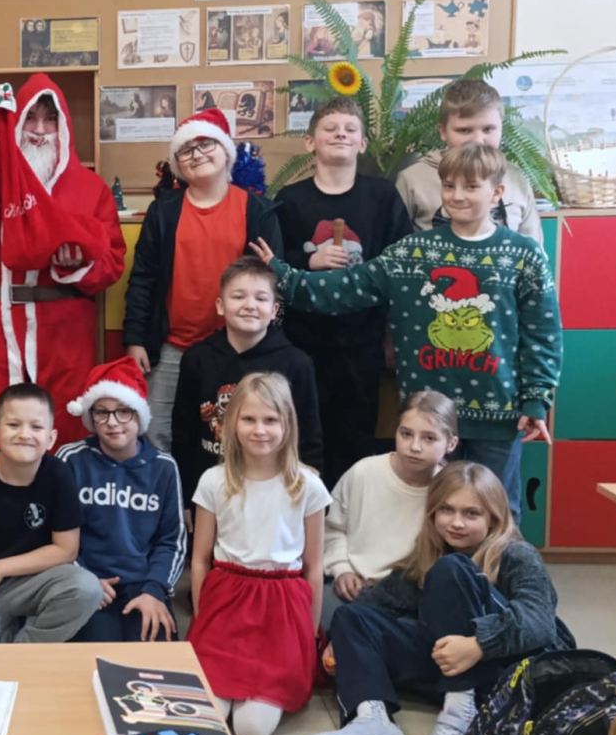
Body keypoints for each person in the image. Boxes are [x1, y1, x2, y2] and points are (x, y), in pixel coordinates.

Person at [252, 143, 561, 512]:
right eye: (449, 186)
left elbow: (543, 333)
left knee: (496, 512)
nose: (457, 196)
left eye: (471, 187)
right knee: (427, 512)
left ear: (497, 192)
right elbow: (345, 288)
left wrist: (537, 399)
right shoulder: (411, 252)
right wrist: (284, 275)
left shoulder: (524, 255)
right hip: (427, 418)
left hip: (498, 416)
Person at [308, 462, 573, 735]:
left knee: (451, 570)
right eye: (447, 510)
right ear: (433, 513)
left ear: (494, 518)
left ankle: (459, 718)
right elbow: (376, 601)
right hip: (449, 664)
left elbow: (539, 622)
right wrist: (340, 642)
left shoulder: (516, 554)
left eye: (471, 514)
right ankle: (373, 721)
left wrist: (478, 644)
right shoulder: (430, 555)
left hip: (508, 671)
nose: (457, 523)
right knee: (350, 615)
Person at [0, 74, 125, 468]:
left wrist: (78, 264)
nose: (38, 130)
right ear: (16, 123)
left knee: (65, 426)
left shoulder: (90, 188)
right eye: (30, 118)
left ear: (62, 126)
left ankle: (63, 506)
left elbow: (112, 261)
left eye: (49, 120)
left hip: (66, 330)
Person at [124, 107, 282, 453]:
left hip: (238, 347)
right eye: (186, 150)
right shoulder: (163, 212)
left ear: (226, 150)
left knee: (232, 437)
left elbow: (273, 283)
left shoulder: (257, 211)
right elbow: (143, 279)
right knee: (157, 433)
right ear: (177, 165)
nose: (196, 155)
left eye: (205, 144)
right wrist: (135, 340)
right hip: (171, 347)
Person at [274, 99, 414, 487]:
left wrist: (391, 336)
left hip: (362, 341)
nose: (341, 134)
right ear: (310, 142)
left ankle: (350, 514)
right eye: (330, 128)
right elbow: (273, 264)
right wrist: (310, 261)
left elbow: (401, 264)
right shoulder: (290, 199)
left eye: (350, 129)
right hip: (304, 341)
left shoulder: (382, 197)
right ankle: (308, 515)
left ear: (362, 143)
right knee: (305, 436)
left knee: (356, 437)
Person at [187, 373, 329, 735]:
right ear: (230, 423)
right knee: (209, 717)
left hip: (281, 609)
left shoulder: (308, 485)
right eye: (248, 419)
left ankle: (261, 695)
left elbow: (314, 567)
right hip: (226, 602)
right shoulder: (214, 481)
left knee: (251, 730)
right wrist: (202, 616)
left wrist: (309, 633)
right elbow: (200, 560)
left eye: (270, 420)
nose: (259, 430)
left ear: (287, 424)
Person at [0, 383, 104, 644]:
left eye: (36, 427)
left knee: (87, 588)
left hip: (37, 582)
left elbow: (66, 550)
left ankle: (21, 648)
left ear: (51, 438)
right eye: (14, 425)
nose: (25, 434)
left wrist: (1, 568)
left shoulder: (59, 475)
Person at [57, 358, 185, 643]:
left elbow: (172, 541)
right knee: (93, 654)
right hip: (87, 581)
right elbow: (54, 534)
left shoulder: (164, 467)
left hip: (144, 585)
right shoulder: (71, 459)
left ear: (139, 415)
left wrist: (155, 590)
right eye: (101, 412)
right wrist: (83, 580)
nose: (112, 422)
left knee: (156, 654)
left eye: (123, 411)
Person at [171, 256, 322, 496]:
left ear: (274, 310)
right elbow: (183, 433)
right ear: (220, 305)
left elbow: (309, 437)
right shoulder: (197, 359)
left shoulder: (296, 364)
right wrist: (187, 496)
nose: (250, 305)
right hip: (211, 491)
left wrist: (306, 493)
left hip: (276, 490)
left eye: (261, 298)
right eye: (238, 296)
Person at [322, 390, 459, 631]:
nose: (414, 446)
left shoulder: (451, 490)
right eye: (406, 434)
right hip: (355, 587)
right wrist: (342, 569)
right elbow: (333, 529)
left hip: (413, 598)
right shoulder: (363, 473)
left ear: (451, 443)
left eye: (429, 438)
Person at [395, 78, 544, 244]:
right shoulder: (412, 180)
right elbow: (396, 248)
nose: (478, 140)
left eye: (488, 129)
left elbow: (534, 247)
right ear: (443, 131)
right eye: (464, 130)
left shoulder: (516, 178)